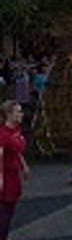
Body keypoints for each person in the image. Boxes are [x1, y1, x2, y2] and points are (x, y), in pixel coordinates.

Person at [0, 101, 29, 240]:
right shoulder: (3, 134)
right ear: (8, 115)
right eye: (18, 111)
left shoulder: (16, 130)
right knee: (4, 211)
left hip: (13, 175)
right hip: (6, 175)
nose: (21, 114)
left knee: (10, 208)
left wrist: (24, 165)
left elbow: (17, 151)